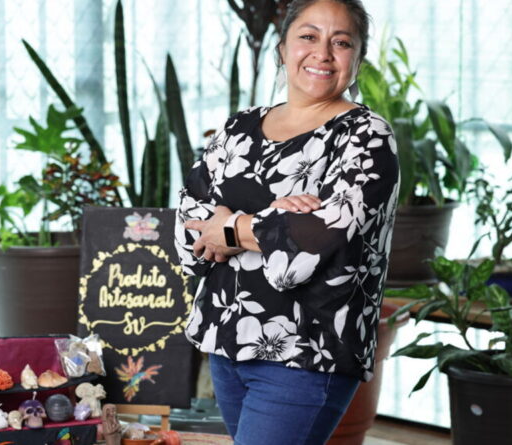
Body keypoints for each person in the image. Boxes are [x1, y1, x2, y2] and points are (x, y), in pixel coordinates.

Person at [174, 0, 399, 443]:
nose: (323, 53)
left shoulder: (366, 135)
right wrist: (275, 217)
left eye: (341, 42)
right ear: (282, 49)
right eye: (308, 37)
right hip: (225, 342)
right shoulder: (238, 128)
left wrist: (232, 224)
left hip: (307, 353)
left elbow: (314, 242)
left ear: (358, 57)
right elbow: (189, 227)